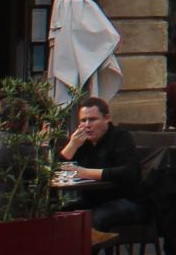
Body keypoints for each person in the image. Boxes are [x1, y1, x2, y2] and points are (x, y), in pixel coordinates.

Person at [58, 95, 144, 239]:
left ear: (107, 118)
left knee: (96, 218)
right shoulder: (81, 140)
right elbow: (58, 171)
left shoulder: (120, 137)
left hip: (126, 199)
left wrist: (87, 173)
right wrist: (72, 146)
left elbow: (130, 172)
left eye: (92, 119)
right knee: (60, 214)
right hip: (93, 199)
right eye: (83, 120)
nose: (87, 125)